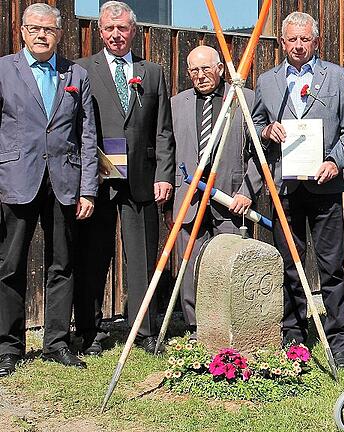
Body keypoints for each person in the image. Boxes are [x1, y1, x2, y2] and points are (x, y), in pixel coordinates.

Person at [253, 12, 344, 368]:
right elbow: (255, 123)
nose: (298, 46)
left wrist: (335, 161)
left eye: (305, 40)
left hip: (325, 186)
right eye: (291, 40)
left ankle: (339, 338)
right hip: (284, 187)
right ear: (282, 42)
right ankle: (294, 333)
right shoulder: (267, 81)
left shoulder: (337, 76)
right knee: (289, 263)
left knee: (331, 266)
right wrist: (267, 132)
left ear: (316, 41)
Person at [0, 3, 98, 376]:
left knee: (63, 264)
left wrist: (88, 189)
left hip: (64, 183)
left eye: (49, 29)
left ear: (59, 33)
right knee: (10, 266)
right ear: (22, 31)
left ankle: (56, 343)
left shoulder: (75, 73)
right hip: (16, 180)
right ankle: (8, 348)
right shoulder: (4, 70)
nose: (41, 35)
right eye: (34, 28)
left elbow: (87, 136)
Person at [74, 1, 174, 355]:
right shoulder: (82, 70)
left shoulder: (152, 72)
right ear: (99, 32)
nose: (116, 35)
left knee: (143, 256)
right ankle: (89, 330)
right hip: (97, 180)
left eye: (123, 29)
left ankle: (144, 330)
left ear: (134, 31)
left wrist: (164, 175)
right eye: (109, 29)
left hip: (142, 180)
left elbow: (163, 130)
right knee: (92, 256)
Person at [167, 45, 262, 339]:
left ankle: (231, 325)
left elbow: (259, 153)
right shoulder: (176, 104)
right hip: (189, 197)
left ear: (220, 69)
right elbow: (167, 151)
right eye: (194, 70)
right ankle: (196, 326)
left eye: (206, 68)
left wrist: (248, 190)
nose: (200, 75)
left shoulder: (243, 100)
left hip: (230, 198)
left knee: (229, 263)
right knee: (191, 262)